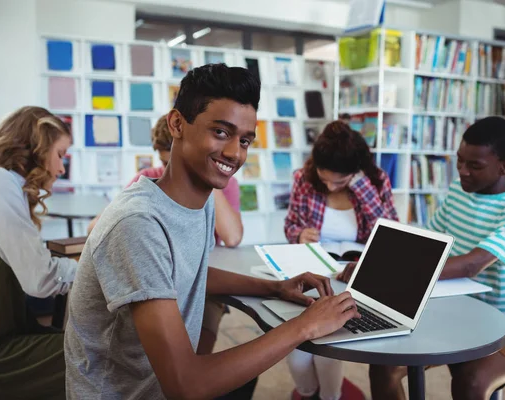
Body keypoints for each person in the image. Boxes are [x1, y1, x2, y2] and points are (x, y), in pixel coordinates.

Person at [64, 63, 360, 399]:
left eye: (245, 140)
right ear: (177, 124)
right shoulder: (137, 224)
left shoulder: (199, 200)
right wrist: (304, 327)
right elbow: (185, 385)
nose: (235, 153)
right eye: (221, 132)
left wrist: (274, 287)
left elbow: (190, 270)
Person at [340, 116, 505, 400]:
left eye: (475, 166)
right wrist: (372, 261)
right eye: (460, 161)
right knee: (383, 367)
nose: (463, 171)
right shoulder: (459, 191)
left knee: (470, 383)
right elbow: (427, 244)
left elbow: (473, 264)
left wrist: (384, 270)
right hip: (455, 314)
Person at [284, 120, 399, 400]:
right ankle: (309, 392)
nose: (330, 186)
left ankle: (330, 396)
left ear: (356, 171)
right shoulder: (304, 178)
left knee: (327, 344)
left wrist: (362, 187)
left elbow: (389, 234)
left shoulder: (376, 180)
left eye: (340, 180)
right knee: (297, 352)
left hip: (357, 274)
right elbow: (290, 226)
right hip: (315, 272)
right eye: (325, 178)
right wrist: (299, 235)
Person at [0, 106, 77, 399]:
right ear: (38, 146)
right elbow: (40, 281)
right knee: (96, 355)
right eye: (60, 155)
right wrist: (95, 271)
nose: (61, 169)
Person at [88, 115, 243, 248]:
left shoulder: (224, 184)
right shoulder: (148, 178)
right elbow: (95, 228)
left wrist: (207, 176)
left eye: (181, 163)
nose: (173, 172)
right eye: (165, 163)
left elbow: (232, 238)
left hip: (208, 269)